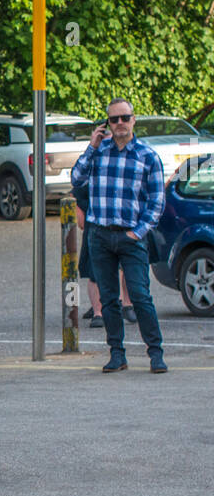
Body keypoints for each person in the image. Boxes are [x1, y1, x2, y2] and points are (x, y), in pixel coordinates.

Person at [71, 98, 167, 373]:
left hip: (131, 237)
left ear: (134, 120)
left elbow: (156, 202)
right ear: (107, 124)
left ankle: (156, 353)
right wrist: (92, 146)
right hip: (100, 235)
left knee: (140, 295)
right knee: (109, 298)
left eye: (125, 117)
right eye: (114, 119)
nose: (120, 123)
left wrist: (137, 233)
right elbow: (76, 179)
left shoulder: (148, 156)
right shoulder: (99, 152)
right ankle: (117, 353)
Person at [75, 180, 135, 327]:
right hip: (101, 227)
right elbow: (77, 197)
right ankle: (103, 311)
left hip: (112, 227)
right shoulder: (95, 171)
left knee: (113, 269)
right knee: (98, 271)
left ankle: (107, 310)